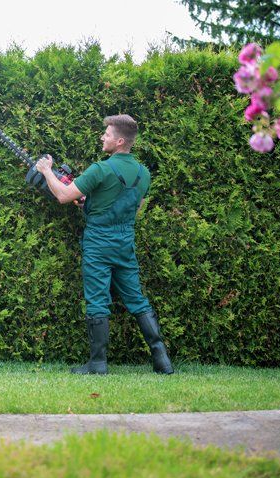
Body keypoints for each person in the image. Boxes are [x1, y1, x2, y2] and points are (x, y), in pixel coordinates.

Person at [35, 114, 174, 375]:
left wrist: (45, 171)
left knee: (98, 300)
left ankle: (98, 364)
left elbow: (64, 195)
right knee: (136, 298)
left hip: (99, 241)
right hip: (125, 242)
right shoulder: (144, 174)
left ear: (120, 141)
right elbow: (134, 208)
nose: (102, 137)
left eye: (107, 134)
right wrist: (91, 202)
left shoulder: (101, 168)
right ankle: (161, 359)